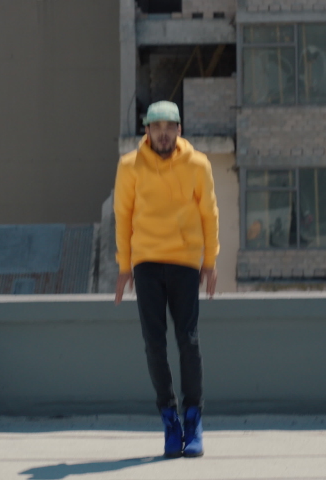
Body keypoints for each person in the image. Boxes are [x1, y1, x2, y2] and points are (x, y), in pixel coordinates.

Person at [114, 101, 220, 458]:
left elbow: (209, 212)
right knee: (153, 343)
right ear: (146, 131)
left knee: (188, 341)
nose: (162, 133)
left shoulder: (198, 164)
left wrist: (211, 262)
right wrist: (124, 266)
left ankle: (193, 419)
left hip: (185, 261)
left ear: (179, 130)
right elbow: (123, 215)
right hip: (145, 261)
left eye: (169, 126)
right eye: (155, 127)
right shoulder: (130, 166)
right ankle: (169, 420)